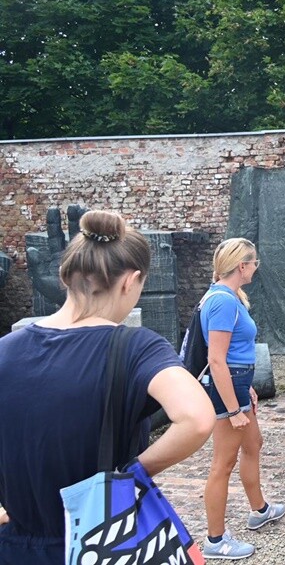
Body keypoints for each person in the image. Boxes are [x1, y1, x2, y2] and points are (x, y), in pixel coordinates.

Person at [0, 210, 215, 564]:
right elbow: (197, 419)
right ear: (130, 281)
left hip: (17, 547)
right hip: (100, 545)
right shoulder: (134, 347)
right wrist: (130, 476)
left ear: (65, 276)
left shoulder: (7, 349)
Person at [201, 238, 285, 560]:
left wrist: (244, 388)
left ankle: (260, 509)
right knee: (222, 464)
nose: (255, 269)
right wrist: (233, 407)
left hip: (237, 384)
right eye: (254, 264)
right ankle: (215, 540)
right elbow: (217, 359)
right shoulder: (222, 301)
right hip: (228, 387)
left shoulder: (229, 297)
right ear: (242, 265)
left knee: (253, 445)